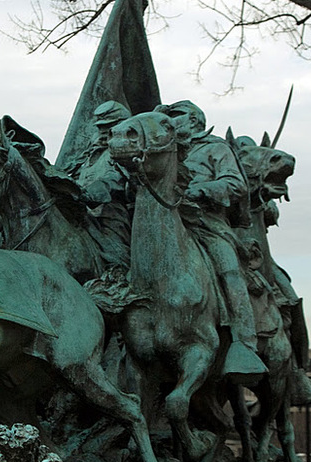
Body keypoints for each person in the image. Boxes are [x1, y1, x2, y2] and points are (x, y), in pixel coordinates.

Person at [157, 100, 267, 384]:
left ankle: (245, 345)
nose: (170, 120)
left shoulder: (216, 148)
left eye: (176, 116)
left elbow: (235, 184)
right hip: (165, 224)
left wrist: (202, 190)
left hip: (207, 224)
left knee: (229, 270)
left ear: (194, 121)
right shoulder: (164, 150)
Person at [69, 101, 132, 271]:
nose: (103, 132)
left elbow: (118, 178)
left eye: (109, 127)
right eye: (101, 127)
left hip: (109, 215)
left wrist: (91, 193)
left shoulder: (129, 151)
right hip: (79, 212)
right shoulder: (89, 153)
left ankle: (117, 281)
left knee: (116, 257)